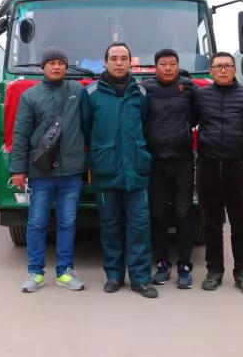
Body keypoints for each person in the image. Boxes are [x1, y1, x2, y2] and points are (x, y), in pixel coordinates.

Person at [81, 42, 157, 298]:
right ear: (105, 62)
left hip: (136, 170)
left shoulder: (141, 93)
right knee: (110, 225)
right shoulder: (91, 93)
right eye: (113, 58)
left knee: (140, 226)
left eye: (123, 58)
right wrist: (101, 152)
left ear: (130, 62)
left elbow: (145, 124)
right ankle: (114, 276)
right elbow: (86, 127)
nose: (118, 62)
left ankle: (140, 279)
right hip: (107, 170)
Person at [194, 51, 243, 295]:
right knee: (211, 224)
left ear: (234, 69)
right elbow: (182, 120)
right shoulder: (200, 97)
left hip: (237, 167)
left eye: (227, 66)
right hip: (207, 167)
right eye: (218, 66)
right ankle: (214, 271)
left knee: (241, 224)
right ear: (211, 71)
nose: (223, 70)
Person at [9, 46, 87, 293]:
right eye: (51, 63)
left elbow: (89, 123)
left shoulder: (77, 91)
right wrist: (18, 170)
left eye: (61, 63)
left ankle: (64, 271)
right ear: (42, 67)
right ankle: (35, 272)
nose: (56, 67)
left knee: (68, 222)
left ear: (66, 67)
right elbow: (20, 134)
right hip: (40, 172)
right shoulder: (30, 96)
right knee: (37, 222)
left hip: (71, 172)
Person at [141, 48, 197, 289]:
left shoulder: (189, 88)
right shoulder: (146, 89)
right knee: (158, 213)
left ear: (178, 65)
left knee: (184, 212)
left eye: (172, 64)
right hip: (155, 162)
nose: (168, 68)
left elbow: (197, 116)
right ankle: (162, 263)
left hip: (183, 160)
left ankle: (184, 265)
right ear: (155, 67)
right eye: (163, 64)